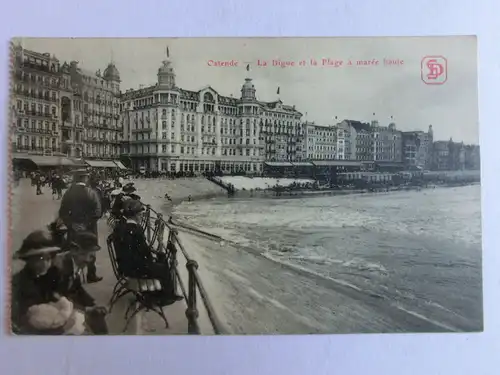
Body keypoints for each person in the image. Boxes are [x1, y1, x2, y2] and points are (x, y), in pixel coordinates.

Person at [112, 199, 183, 304]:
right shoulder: (136, 230)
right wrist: (153, 260)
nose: (141, 217)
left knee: (159, 262)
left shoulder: (121, 227)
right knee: (163, 267)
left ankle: (160, 293)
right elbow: (144, 251)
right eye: (140, 214)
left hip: (124, 267)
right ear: (136, 215)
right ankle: (165, 296)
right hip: (134, 270)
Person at [11, 229, 65, 334]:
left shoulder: (53, 274)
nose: (45, 264)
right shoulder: (19, 282)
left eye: (48, 259)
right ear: (28, 259)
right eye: (40, 259)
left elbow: (58, 296)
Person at [54, 231, 108, 334]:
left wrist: (93, 305)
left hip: (66, 304)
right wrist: (86, 309)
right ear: (74, 251)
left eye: (92, 256)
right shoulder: (60, 267)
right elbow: (58, 299)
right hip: (55, 309)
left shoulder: (74, 262)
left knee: (97, 316)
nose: (89, 260)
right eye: (86, 254)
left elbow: (77, 288)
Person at [58, 169, 102, 283]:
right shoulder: (91, 192)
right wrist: (86, 224)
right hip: (89, 228)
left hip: (73, 229)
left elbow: (62, 212)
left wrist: (71, 224)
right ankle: (91, 275)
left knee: (74, 250)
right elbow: (98, 212)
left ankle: (74, 276)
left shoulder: (68, 193)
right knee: (90, 250)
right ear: (85, 178)